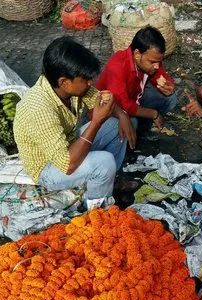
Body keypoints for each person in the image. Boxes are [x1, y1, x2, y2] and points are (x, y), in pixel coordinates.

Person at [13, 36, 136, 211]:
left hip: (68, 145)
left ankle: (107, 182)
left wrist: (122, 115)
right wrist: (95, 123)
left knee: (116, 125)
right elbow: (67, 164)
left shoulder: (73, 88)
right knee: (104, 162)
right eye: (85, 79)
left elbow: (99, 100)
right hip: (48, 168)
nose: (90, 83)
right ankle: (96, 211)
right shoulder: (38, 108)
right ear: (64, 82)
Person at [97, 26, 178, 142]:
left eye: (159, 62)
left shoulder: (149, 62)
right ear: (137, 55)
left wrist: (169, 86)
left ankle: (143, 127)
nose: (157, 66)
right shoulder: (117, 65)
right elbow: (123, 105)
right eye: (153, 62)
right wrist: (154, 114)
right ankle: (128, 143)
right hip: (113, 110)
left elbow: (161, 77)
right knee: (131, 122)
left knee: (171, 98)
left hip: (135, 100)